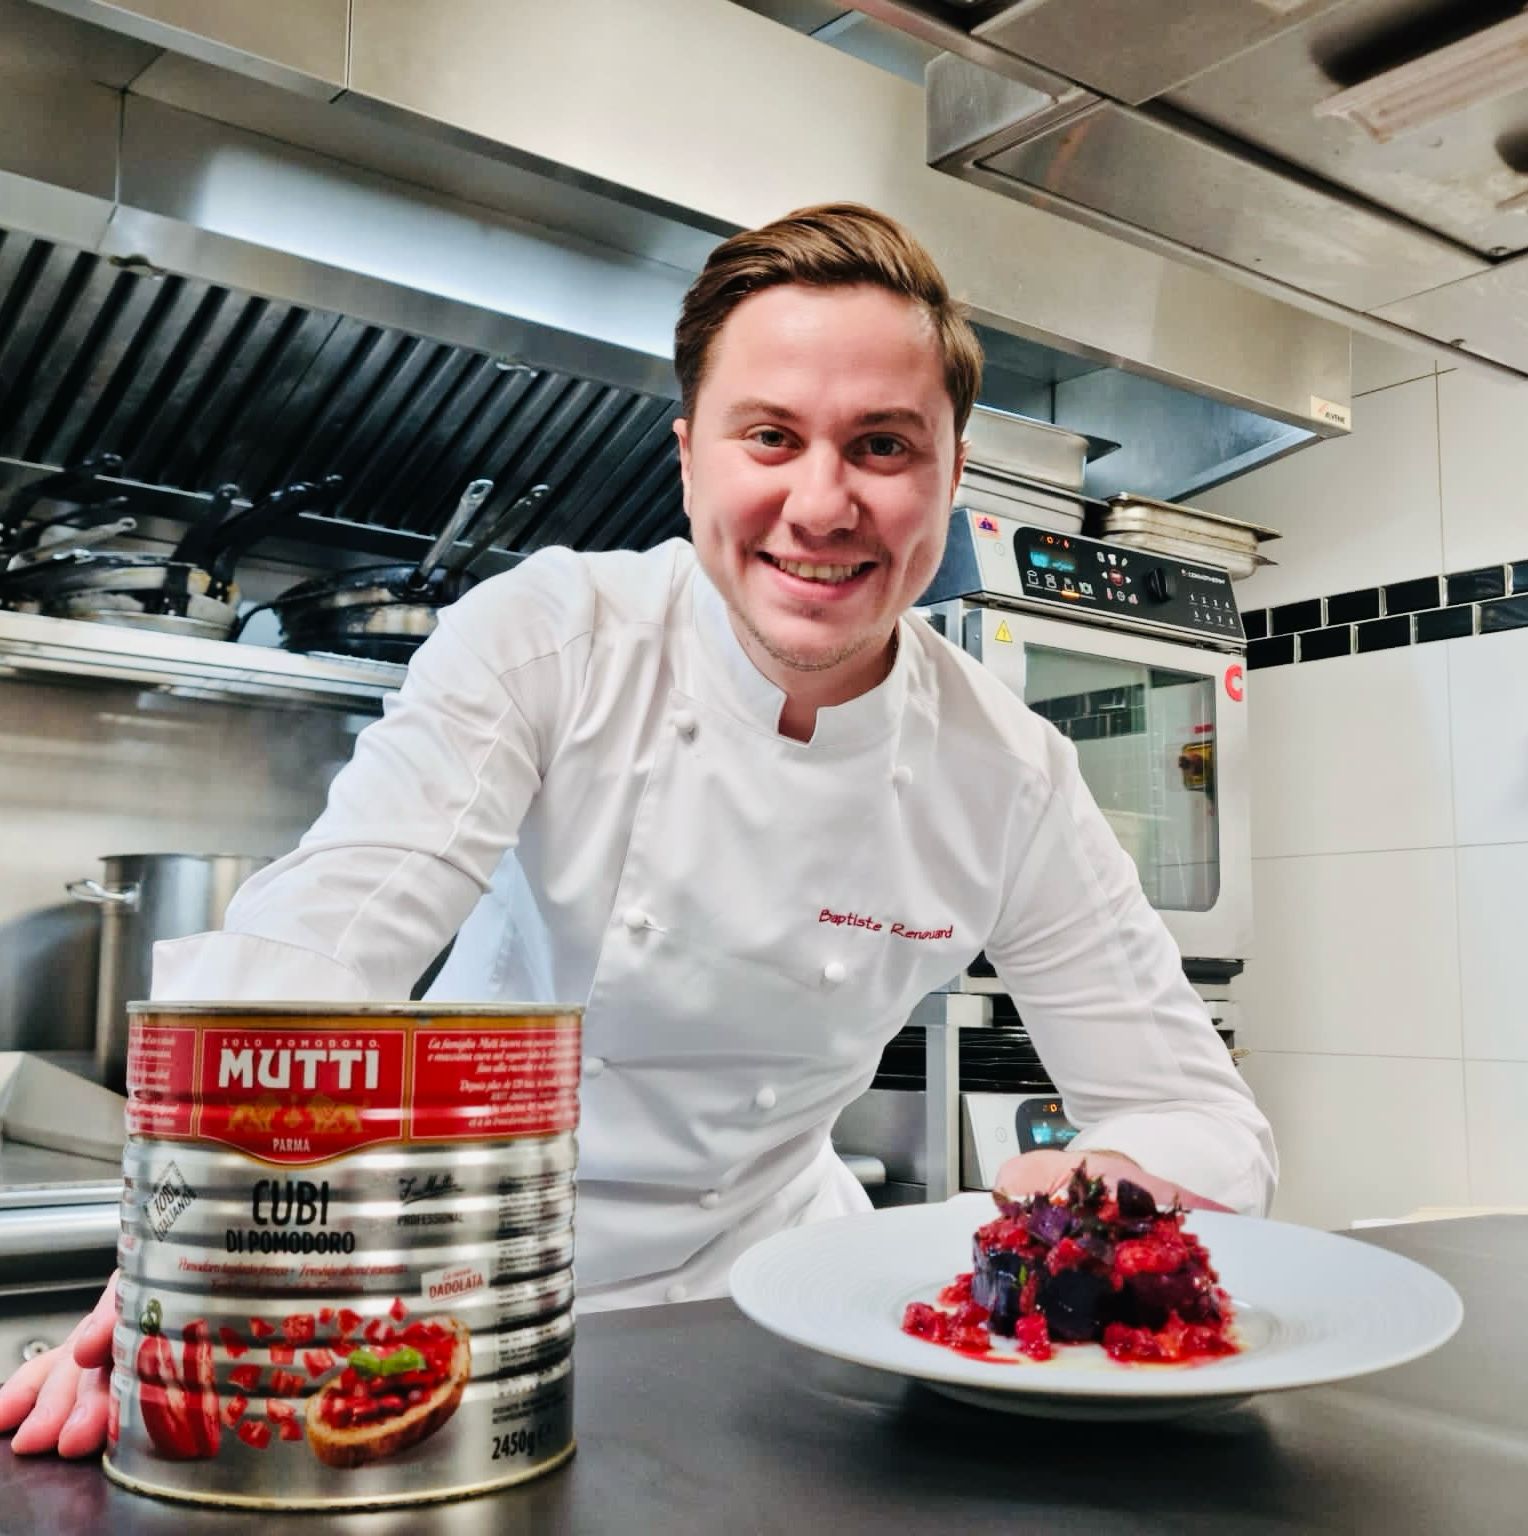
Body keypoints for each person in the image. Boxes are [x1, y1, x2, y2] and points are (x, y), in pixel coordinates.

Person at [0, 203, 1276, 1459]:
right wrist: (176, 1275)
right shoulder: (549, 636)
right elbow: (324, 946)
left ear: (949, 473)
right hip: (473, 1295)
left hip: (782, 1314)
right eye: (769, 436)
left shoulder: (1010, 772)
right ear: (688, 458)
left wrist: (1107, 1191)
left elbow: (1201, 1119)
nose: (822, 505)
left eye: (882, 446)